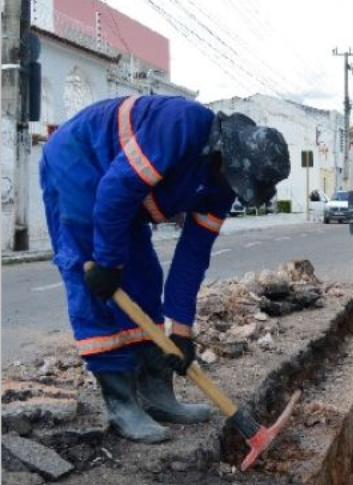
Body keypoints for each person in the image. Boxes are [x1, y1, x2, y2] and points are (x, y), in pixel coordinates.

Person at [40, 95, 290, 443]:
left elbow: (193, 254)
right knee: (95, 283)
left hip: (123, 191)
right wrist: (109, 262)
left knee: (144, 277)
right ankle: (122, 403)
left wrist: (182, 333)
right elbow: (115, 190)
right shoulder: (180, 125)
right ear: (224, 156)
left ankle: (157, 394)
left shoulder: (224, 184)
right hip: (81, 162)